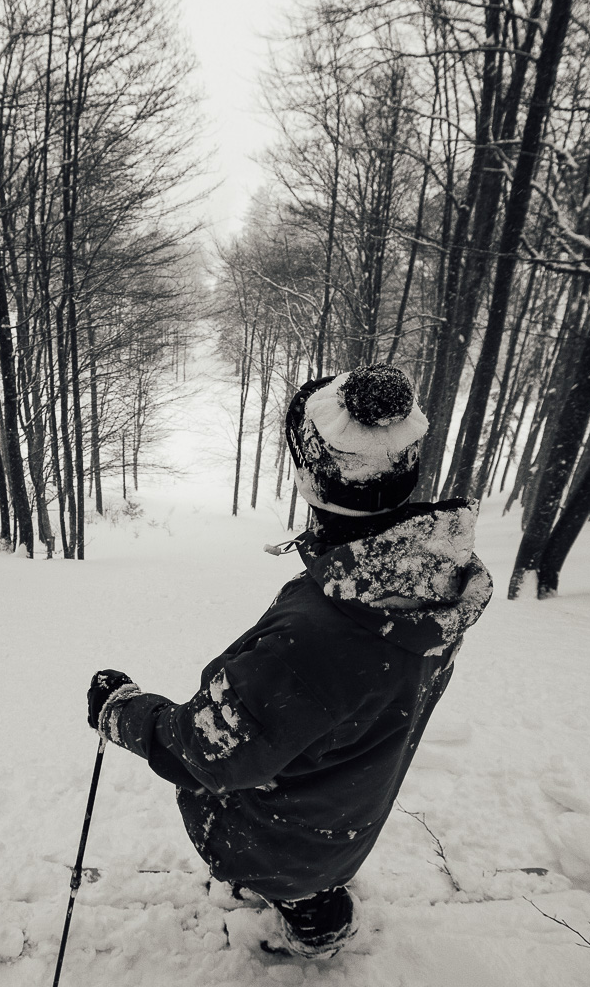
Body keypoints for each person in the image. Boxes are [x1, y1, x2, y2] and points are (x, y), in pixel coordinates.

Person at [85, 363, 493, 959]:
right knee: (314, 875)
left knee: (301, 886)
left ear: (309, 478)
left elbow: (209, 751)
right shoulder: (432, 572)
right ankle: (314, 901)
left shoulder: (321, 636)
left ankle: (312, 916)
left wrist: (119, 711)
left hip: (283, 833)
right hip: (347, 806)